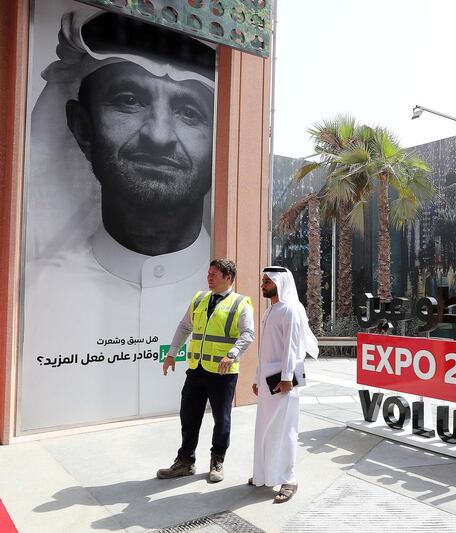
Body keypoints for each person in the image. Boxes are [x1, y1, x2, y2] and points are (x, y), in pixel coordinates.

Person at [20, 6, 217, 431]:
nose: (159, 136)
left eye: (189, 112)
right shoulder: (28, 299)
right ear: (82, 128)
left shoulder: (227, 297)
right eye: (129, 101)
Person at [157, 259, 255, 483]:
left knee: (222, 419)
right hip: (197, 369)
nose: (209, 278)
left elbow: (248, 333)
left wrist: (232, 354)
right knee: (188, 416)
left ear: (228, 278)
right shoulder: (199, 299)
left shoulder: (240, 303)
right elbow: (184, 327)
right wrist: (172, 353)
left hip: (223, 372)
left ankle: (217, 460)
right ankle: (185, 461)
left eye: (214, 274)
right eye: (208, 274)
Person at [251, 266, 319, 502]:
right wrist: (256, 377)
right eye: (263, 280)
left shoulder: (289, 309)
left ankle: (289, 480)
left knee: (285, 431)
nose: (263, 285)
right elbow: (264, 350)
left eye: (267, 281)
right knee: (265, 429)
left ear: (280, 283)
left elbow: (293, 347)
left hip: (282, 382)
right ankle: (263, 475)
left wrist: (287, 378)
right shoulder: (271, 311)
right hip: (268, 381)